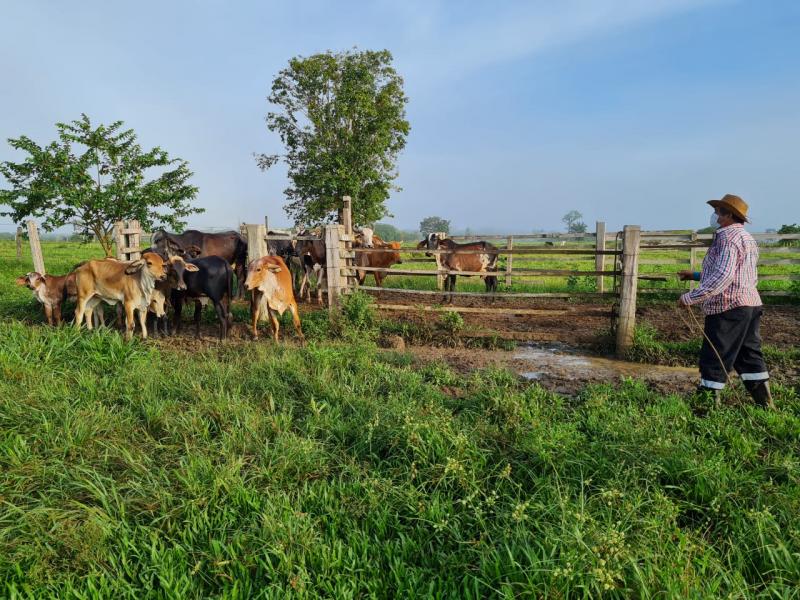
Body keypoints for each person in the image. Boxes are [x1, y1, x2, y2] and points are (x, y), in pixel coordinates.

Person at [676, 194, 774, 409]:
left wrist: (690, 297)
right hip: (749, 304)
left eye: (718, 211)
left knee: (715, 356)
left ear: (728, 215)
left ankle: (706, 407)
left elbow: (723, 276)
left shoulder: (728, 239)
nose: (714, 215)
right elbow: (737, 273)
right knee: (749, 355)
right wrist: (694, 276)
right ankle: (766, 405)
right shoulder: (746, 238)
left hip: (728, 307)